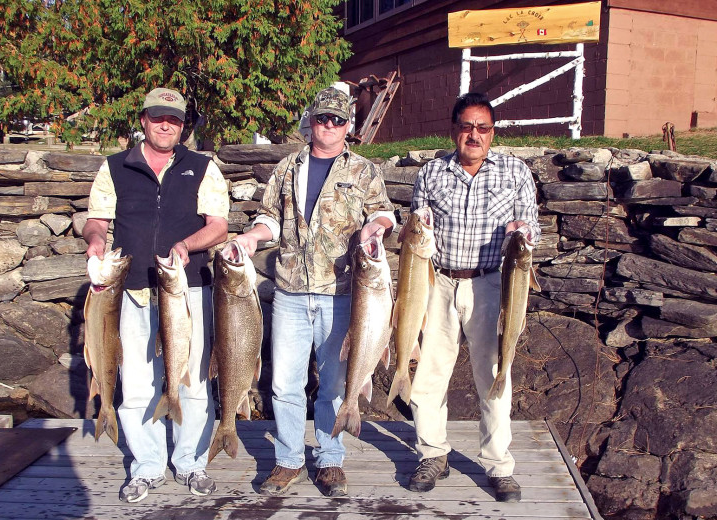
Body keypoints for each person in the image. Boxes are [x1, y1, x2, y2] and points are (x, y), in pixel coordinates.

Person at [235, 87, 396, 497]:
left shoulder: (363, 170)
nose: (329, 125)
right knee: (284, 384)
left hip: (344, 295)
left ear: (348, 126)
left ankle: (329, 459)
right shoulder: (287, 168)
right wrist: (254, 236)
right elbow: (270, 218)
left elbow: (382, 212)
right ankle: (288, 460)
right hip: (290, 292)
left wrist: (375, 227)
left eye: (337, 120)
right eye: (322, 118)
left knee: (334, 384)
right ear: (311, 121)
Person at [82, 87, 229, 503]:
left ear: (184, 126)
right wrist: (95, 241)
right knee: (138, 384)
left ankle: (191, 462)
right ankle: (146, 466)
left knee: (193, 381)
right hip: (129, 294)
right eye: (158, 117)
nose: (167, 124)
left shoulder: (203, 167)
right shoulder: (114, 167)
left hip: (187, 290)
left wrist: (188, 245)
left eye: (176, 119)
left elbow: (218, 224)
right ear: (144, 120)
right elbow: (96, 221)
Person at [406, 92, 540, 503]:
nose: (474, 135)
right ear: (454, 130)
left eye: (483, 128)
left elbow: (531, 226)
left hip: (488, 285)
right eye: (467, 127)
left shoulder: (515, 172)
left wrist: (523, 230)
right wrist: (418, 218)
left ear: (492, 133)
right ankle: (432, 454)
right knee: (429, 376)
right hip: (439, 282)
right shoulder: (431, 173)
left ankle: (498, 465)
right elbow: (416, 227)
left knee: (495, 375)